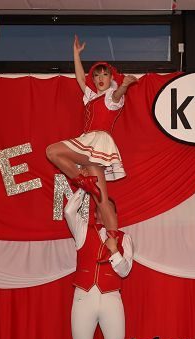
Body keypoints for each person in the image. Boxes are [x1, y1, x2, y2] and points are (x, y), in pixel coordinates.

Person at [46, 35, 137, 263]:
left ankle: (113, 244)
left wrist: (124, 85)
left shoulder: (111, 97)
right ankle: (85, 182)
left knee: (101, 201)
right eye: (96, 75)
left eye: (104, 74)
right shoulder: (91, 96)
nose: (100, 78)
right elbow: (79, 78)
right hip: (88, 144)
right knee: (100, 198)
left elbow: (118, 94)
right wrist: (76, 54)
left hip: (98, 143)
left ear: (111, 77)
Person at [63, 189, 134, 339]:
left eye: (109, 209)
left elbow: (125, 270)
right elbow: (69, 211)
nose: (104, 212)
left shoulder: (125, 238)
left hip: (111, 298)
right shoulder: (83, 230)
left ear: (115, 214)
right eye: (100, 209)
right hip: (83, 297)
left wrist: (114, 250)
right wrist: (84, 188)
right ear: (95, 214)